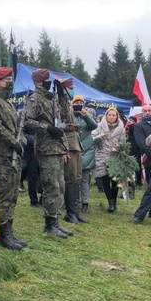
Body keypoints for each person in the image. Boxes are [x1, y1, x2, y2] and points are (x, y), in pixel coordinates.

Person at [0, 67, 27, 250]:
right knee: (4, 193)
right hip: (1, 153)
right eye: (7, 79)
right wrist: (12, 141)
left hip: (12, 154)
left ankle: (9, 230)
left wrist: (20, 140)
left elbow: (14, 127)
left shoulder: (7, 102)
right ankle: (3, 234)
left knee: (12, 192)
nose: (10, 82)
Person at [24, 68, 71, 238]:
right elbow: (27, 121)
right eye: (46, 80)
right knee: (51, 185)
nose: (49, 82)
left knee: (60, 185)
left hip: (57, 147)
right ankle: (49, 224)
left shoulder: (51, 99)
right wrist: (47, 128)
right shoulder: (35, 99)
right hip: (46, 148)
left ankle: (55, 220)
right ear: (38, 82)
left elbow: (66, 116)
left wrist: (62, 95)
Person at [59, 78, 87, 224]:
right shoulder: (59, 104)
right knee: (70, 178)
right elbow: (59, 125)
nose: (72, 92)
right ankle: (70, 213)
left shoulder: (68, 105)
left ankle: (75, 211)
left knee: (76, 178)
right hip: (68, 145)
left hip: (75, 144)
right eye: (69, 89)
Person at [93, 107, 126, 212]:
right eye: (109, 115)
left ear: (117, 116)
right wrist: (100, 137)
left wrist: (119, 146)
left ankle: (114, 202)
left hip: (115, 156)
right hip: (102, 155)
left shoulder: (121, 128)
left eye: (113, 115)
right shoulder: (99, 126)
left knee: (114, 181)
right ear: (106, 115)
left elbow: (124, 141)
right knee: (105, 180)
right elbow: (92, 138)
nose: (111, 117)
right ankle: (110, 202)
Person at [72, 95, 97, 214]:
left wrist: (85, 115)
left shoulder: (88, 116)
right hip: (73, 149)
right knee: (72, 178)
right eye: (75, 102)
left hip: (87, 150)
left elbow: (93, 126)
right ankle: (73, 200)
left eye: (80, 102)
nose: (78, 104)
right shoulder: (70, 115)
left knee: (84, 178)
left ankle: (85, 202)